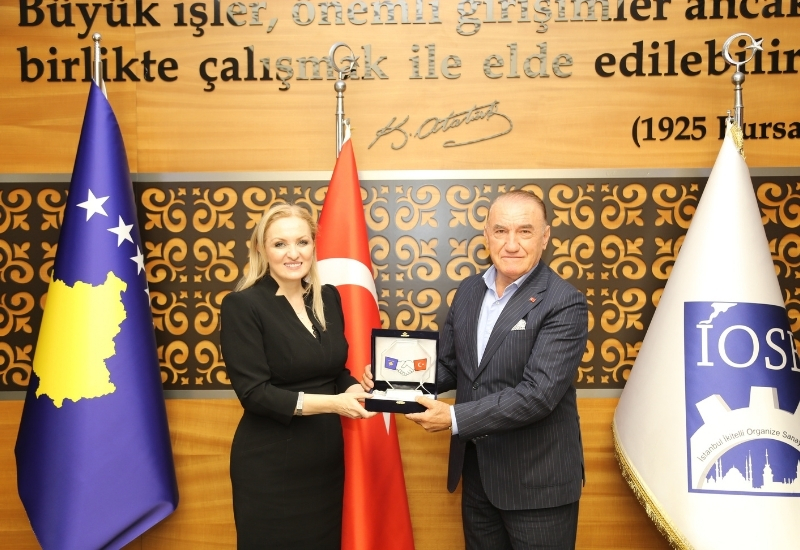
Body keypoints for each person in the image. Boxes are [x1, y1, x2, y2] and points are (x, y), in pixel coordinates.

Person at [364, 190, 588, 549]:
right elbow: (451, 365)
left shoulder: (564, 302)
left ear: (545, 237)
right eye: (500, 231)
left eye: (525, 231)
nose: (511, 244)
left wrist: (454, 418)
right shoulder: (470, 290)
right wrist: (392, 380)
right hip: (478, 476)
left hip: (537, 484)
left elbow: (539, 395)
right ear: (486, 235)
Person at [220, 203, 375, 550]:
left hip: (324, 461)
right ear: (262, 249)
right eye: (280, 244)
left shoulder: (327, 296)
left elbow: (334, 371)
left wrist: (360, 387)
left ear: (313, 245)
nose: (293, 253)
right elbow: (255, 394)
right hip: (271, 465)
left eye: (302, 242)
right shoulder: (242, 305)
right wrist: (335, 403)